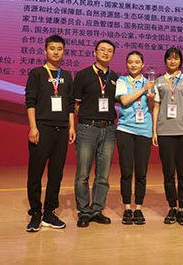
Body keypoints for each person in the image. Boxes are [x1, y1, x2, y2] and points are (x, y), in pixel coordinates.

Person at [25, 35, 75, 231]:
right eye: (52, 48)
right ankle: (35, 213)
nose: (56, 52)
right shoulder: (37, 73)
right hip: (42, 127)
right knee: (35, 172)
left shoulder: (67, 76)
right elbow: (30, 101)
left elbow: (70, 104)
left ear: (64, 52)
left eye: (59, 48)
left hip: (61, 129)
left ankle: (49, 213)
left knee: (56, 173)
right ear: (45, 50)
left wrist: (71, 126)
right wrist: (33, 127)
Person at [73, 39, 119, 228]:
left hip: (109, 129)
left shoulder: (115, 78)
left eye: (109, 51)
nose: (106, 53)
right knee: (83, 173)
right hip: (87, 128)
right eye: (102, 50)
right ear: (95, 52)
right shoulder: (83, 75)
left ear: (113, 55)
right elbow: (76, 104)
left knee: (103, 175)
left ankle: (97, 210)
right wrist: (86, 120)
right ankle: (84, 211)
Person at [152, 47, 183, 226]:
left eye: (176, 58)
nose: (172, 61)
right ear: (165, 61)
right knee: (168, 172)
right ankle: (172, 207)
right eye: (169, 58)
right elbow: (156, 107)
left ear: (180, 61)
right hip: (165, 131)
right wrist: (154, 131)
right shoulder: (158, 81)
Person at [115, 51, 155, 225]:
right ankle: (127, 208)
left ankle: (138, 208)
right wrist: (143, 90)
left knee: (141, 172)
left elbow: (151, 108)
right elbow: (124, 101)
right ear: (126, 64)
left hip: (144, 131)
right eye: (130, 62)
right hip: (125, 129)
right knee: (126, 171)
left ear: (143, 64)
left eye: (137, 62)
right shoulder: (122, 81)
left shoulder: (150, 82)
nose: (133, 65)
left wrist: (151, 97)